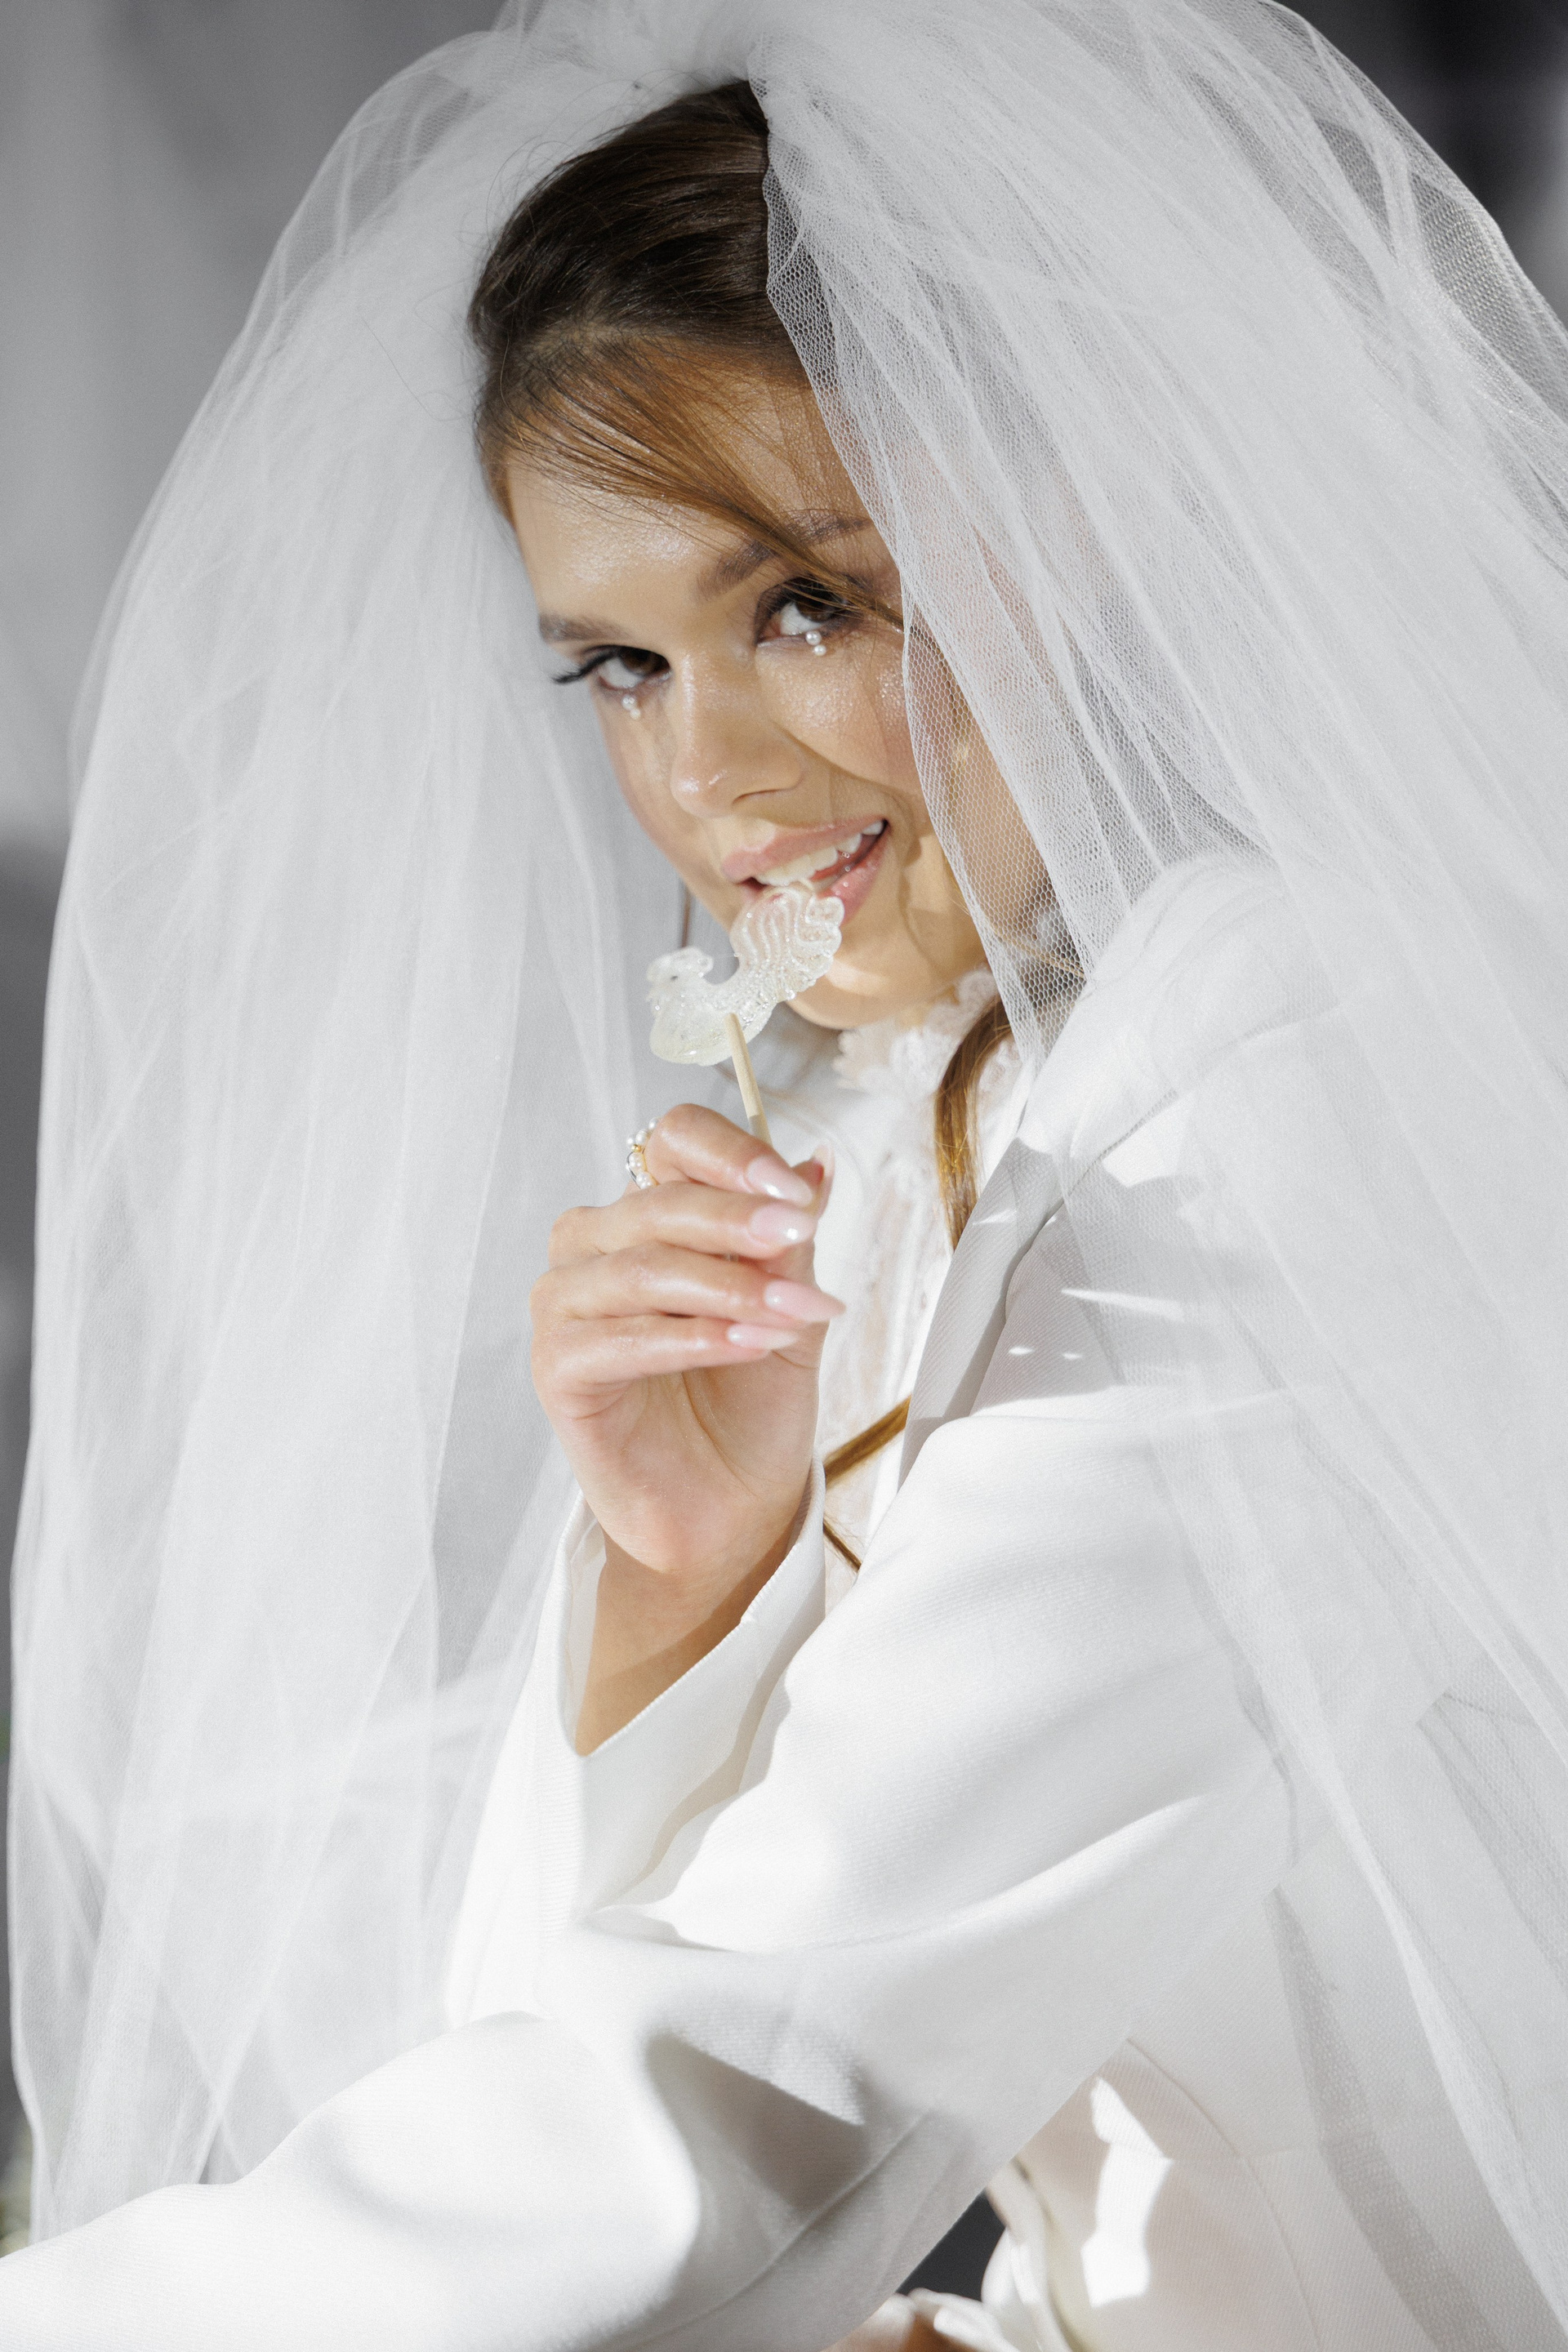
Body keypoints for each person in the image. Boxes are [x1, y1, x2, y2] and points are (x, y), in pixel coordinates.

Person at [6, 2, 1568, 2345]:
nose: (711, 780)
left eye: (805, 606)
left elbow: (759, 2101)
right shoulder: (908, 1108)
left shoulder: (1286, 1079)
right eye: (620, 668)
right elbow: (575, 2032)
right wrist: (686, 1585)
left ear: (1102, 532)